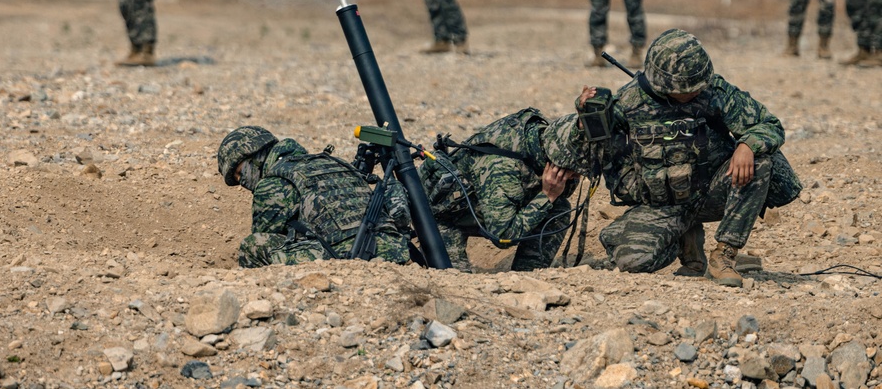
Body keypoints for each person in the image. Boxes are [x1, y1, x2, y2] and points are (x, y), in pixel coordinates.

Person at [563, 29, 802, 287]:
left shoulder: (713, 91)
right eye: (685, 89)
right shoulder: (628, 102)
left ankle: (724, 255)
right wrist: (584, 121)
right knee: (633, 261)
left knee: (759, 161)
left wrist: (747, 145)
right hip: (662, 204)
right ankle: (684, 238)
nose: (693, 92)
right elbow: (587, 150)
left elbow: (768, 124)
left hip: (710, 192)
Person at [417, 109, 595, 272]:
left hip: (486, 207)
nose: (577, 177)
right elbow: (502, 237)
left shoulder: (547, 144)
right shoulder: (501, 168)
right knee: (454, 278)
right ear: (558, 160)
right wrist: (546, 195)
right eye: (573, 171)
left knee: (558, 207)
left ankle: (529, 273)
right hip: (445, 218)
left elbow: (562, 193)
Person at [217, 125, 411, 267]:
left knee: (253, 246)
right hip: (395, 249)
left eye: (240, 173)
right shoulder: (333, 162)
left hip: (348, 256)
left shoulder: (272, 184)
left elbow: (266, 236)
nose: (241, 182)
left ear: (254, 155)